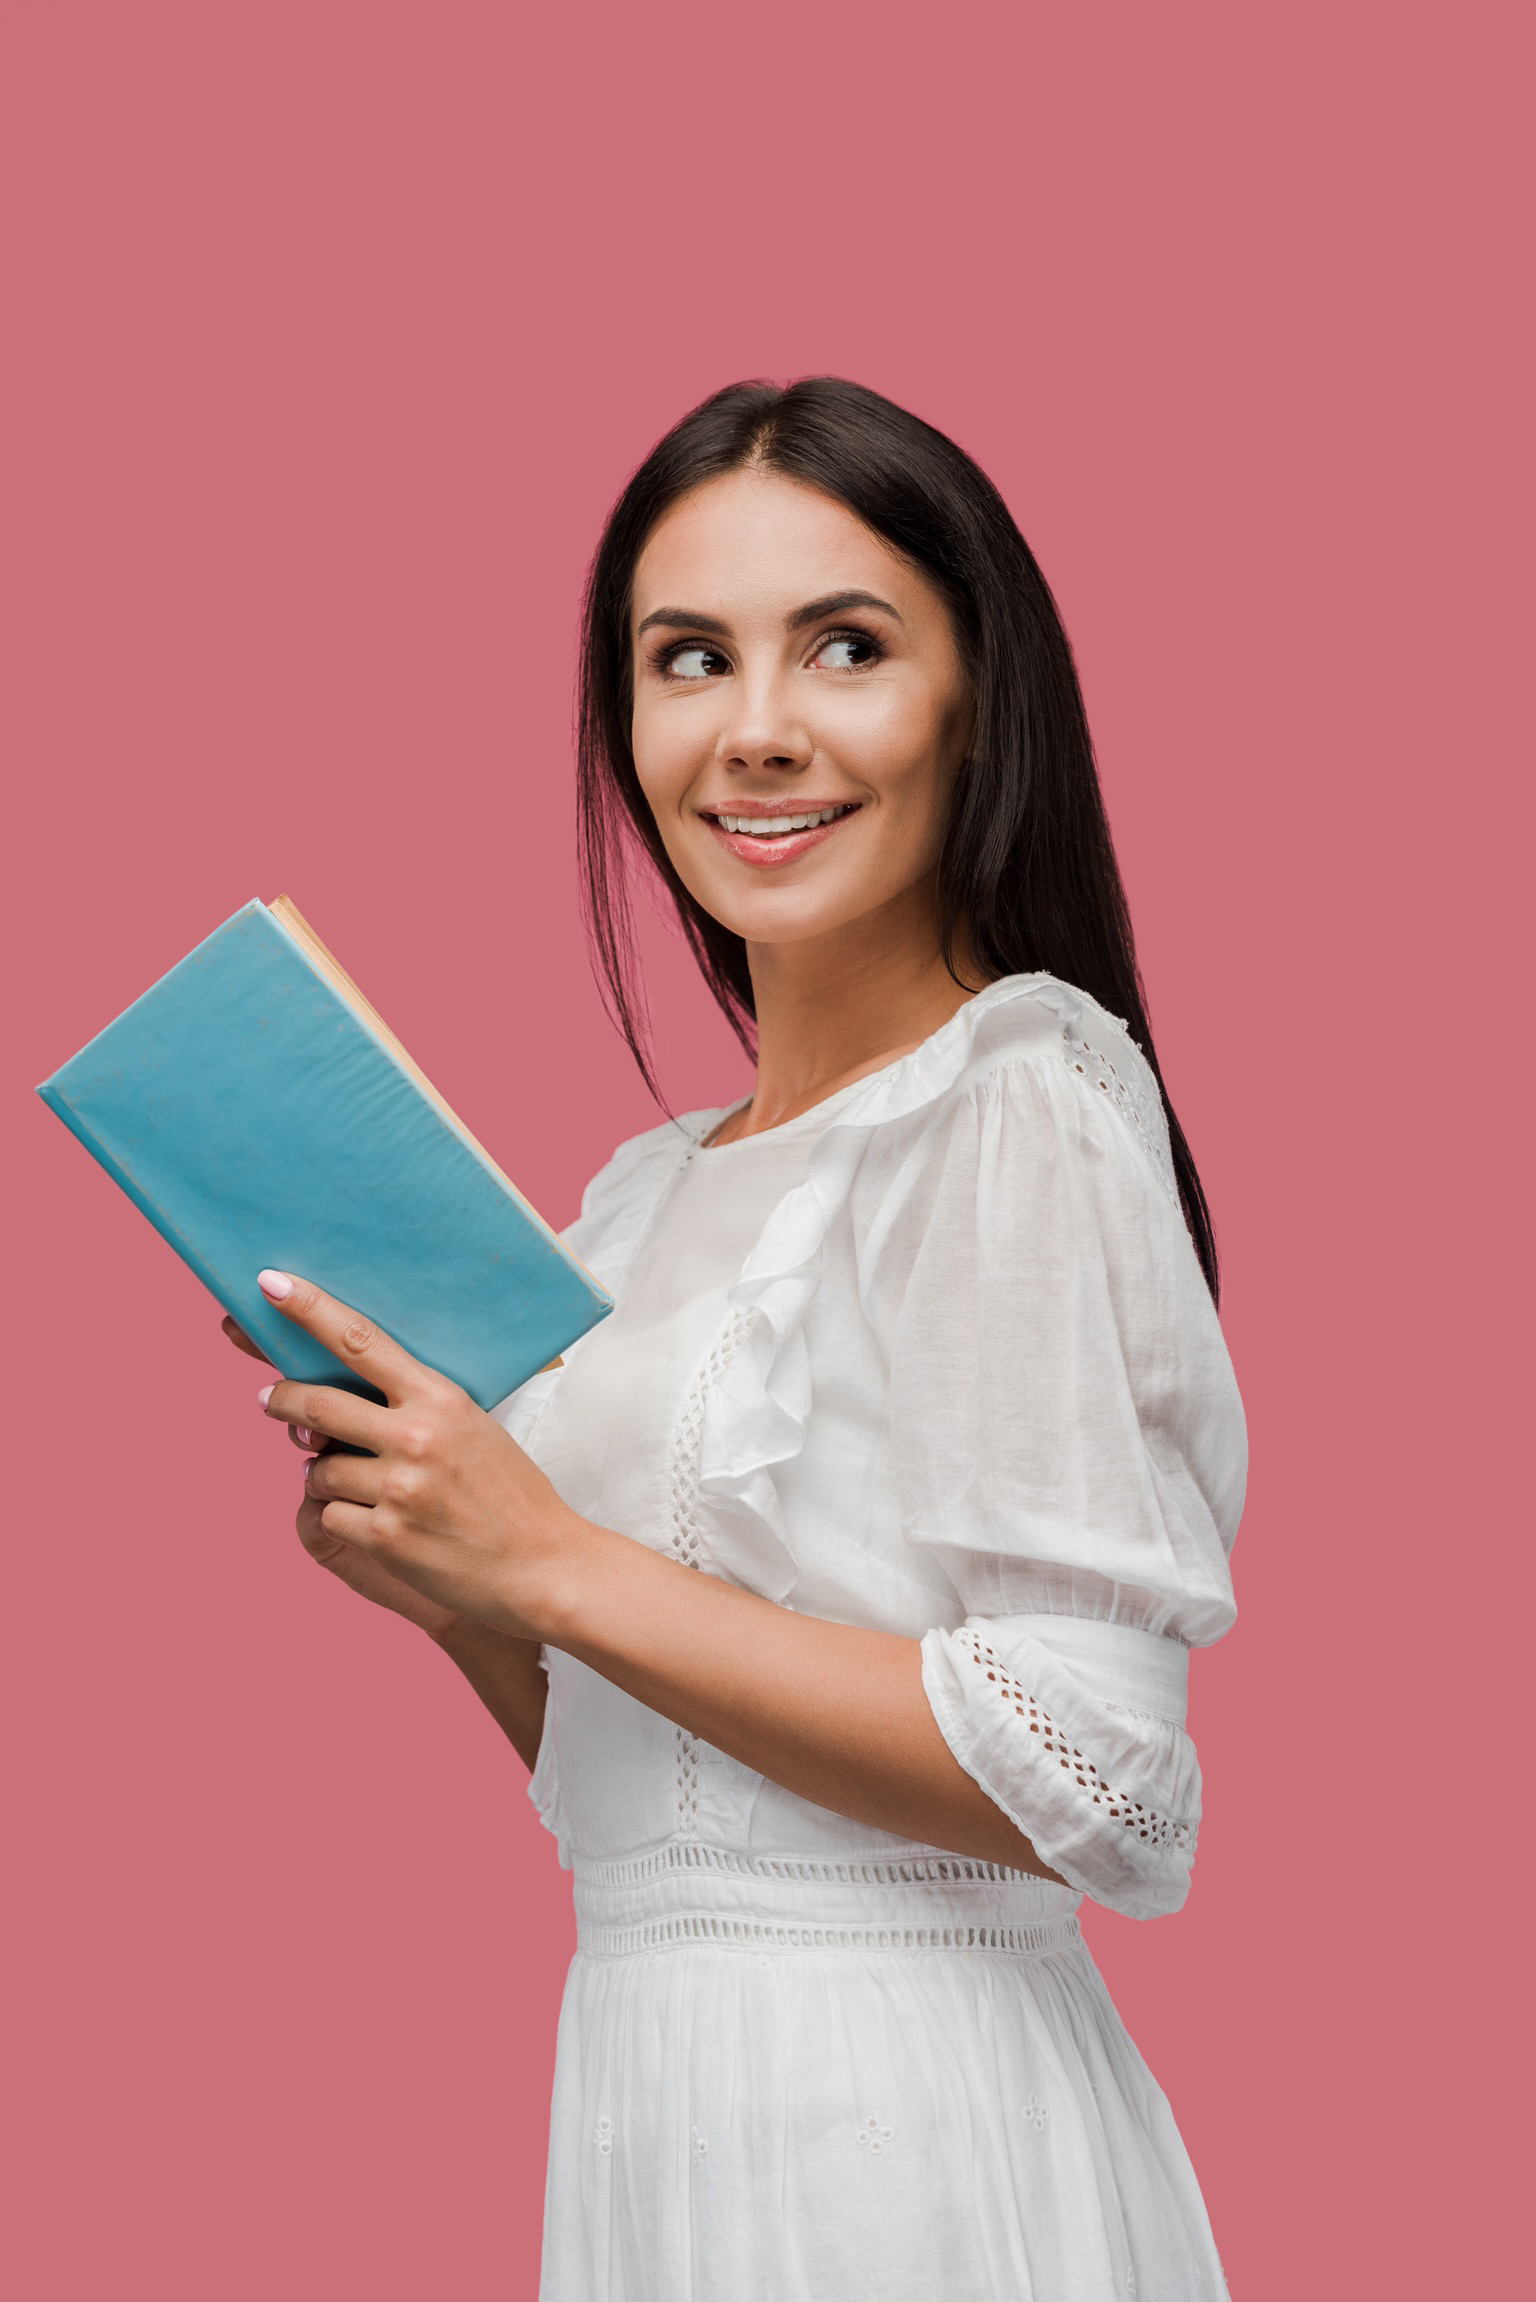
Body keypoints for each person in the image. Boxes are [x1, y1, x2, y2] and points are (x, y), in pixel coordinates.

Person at [231, 378, 1246, 2300]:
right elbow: (663, 1803)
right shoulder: (646, 1194)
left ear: (976, 699)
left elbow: (1103, 1782)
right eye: (686, 658)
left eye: (845, 647)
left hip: (914, 2138)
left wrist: (546, 1554)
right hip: (653, 2096)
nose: (756, 728)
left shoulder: (1011, 1097)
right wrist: (453, 1579)